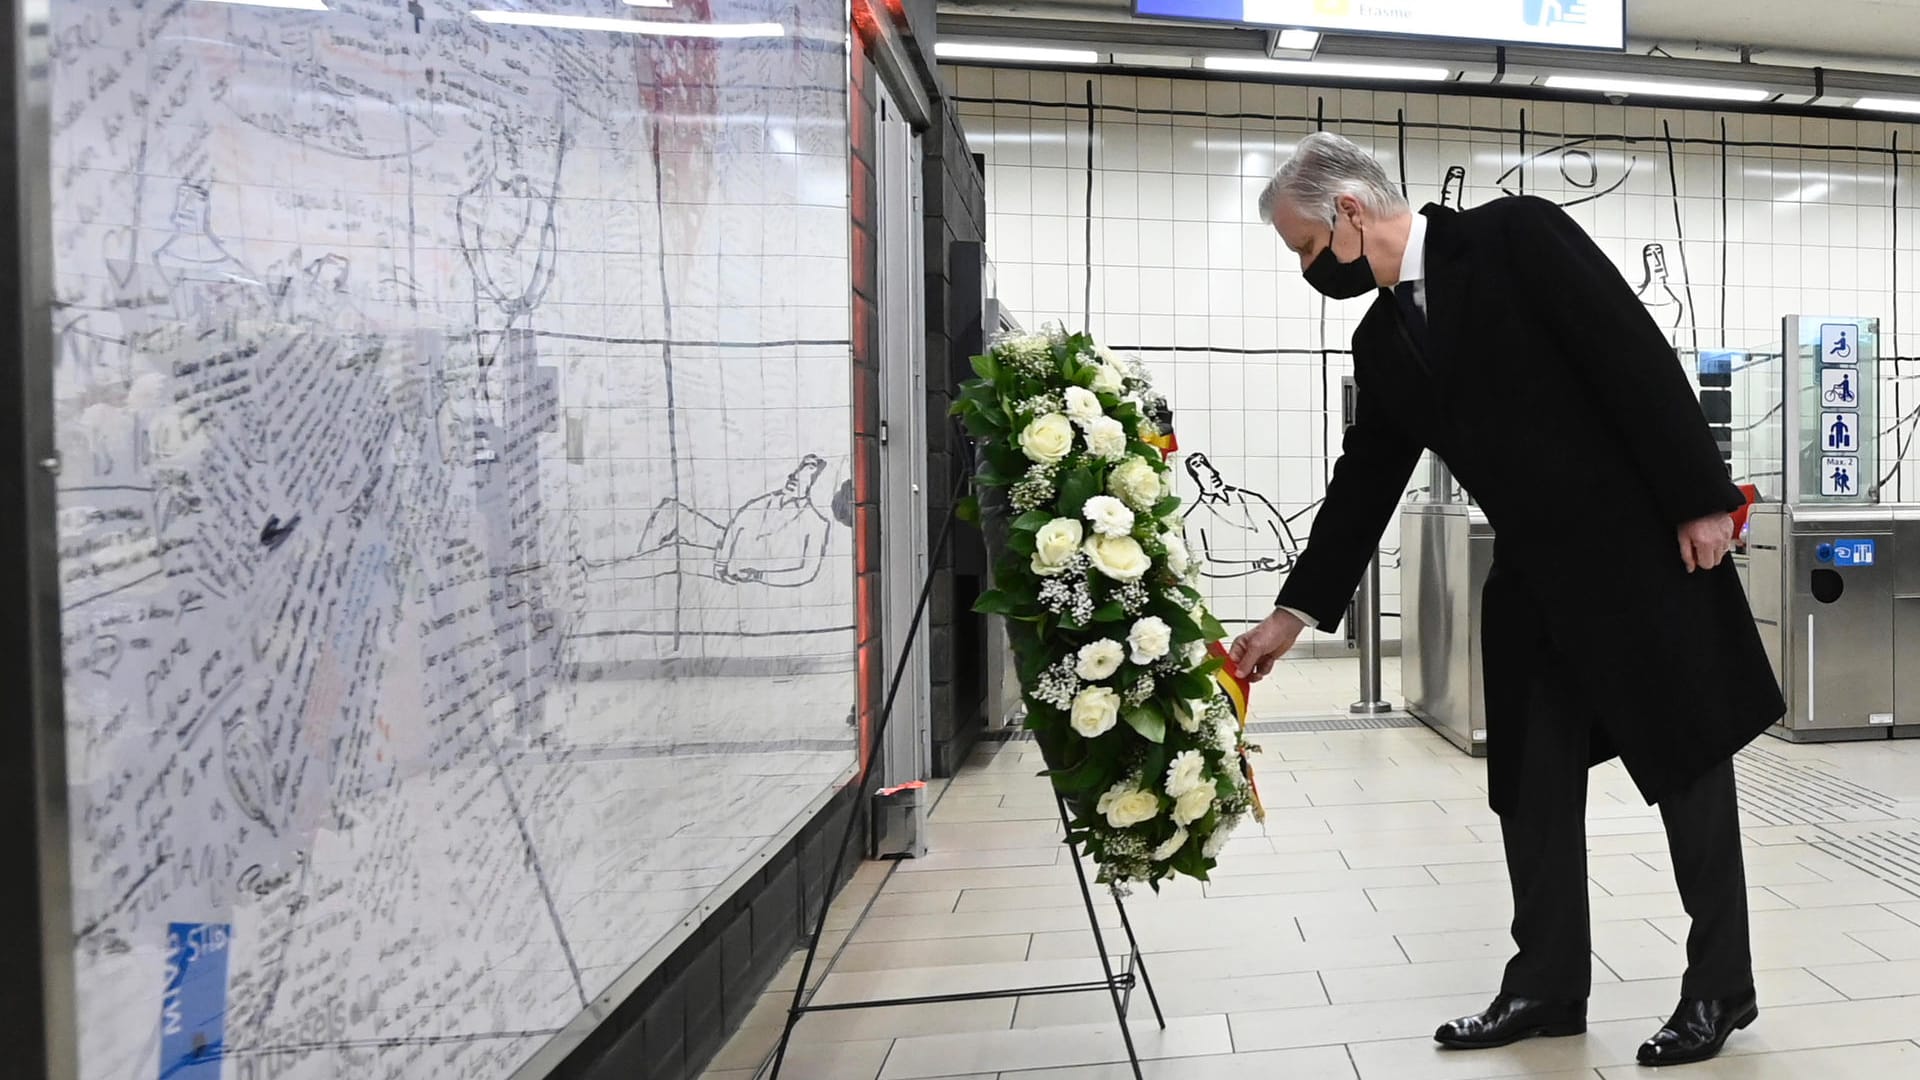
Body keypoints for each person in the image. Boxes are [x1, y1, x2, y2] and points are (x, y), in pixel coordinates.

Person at [1229, 132, 1785, 1068]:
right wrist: (1294, 614)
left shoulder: (1516, 237)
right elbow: (1365, 481)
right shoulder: (1383, 336)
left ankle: (1721, 987)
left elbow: (1633, 353)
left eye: (1306, 249)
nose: (1308, 270)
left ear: (1350, 215)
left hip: (1638, 556)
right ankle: (1546, 984)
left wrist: (1702, 499)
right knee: (1529, 785)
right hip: (1530, 578)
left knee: (1686, 763)